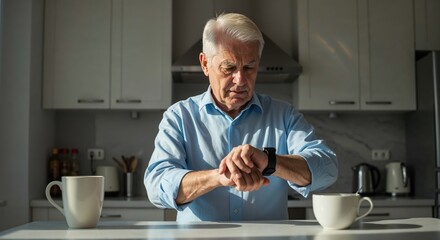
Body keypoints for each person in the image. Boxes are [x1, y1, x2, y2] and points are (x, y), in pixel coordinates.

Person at [144, 12, 338, 221]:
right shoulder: (179, 117)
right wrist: (218, 177)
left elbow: (327, 168)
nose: (240, 80)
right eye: (229, 68)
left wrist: (270, 161)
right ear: (205, 64)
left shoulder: (284, 115)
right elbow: (157, 186)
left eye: (249, 67)